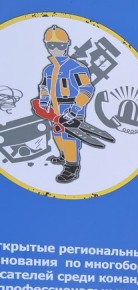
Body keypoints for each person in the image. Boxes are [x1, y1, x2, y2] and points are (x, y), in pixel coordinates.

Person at [37, 25, 95, 184]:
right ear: (46, 45)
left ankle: (72, 167)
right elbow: (44, 86)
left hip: (71, 107)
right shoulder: (48, 70)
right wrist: (44, 101)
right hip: (55, 109)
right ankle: (64, 156)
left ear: (67, 44)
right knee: (57, 134)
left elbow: (87, 89)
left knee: (69, 137)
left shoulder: (77, 67)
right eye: (51, 45)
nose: (55, 49)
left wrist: (74, 110)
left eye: (60, 45)